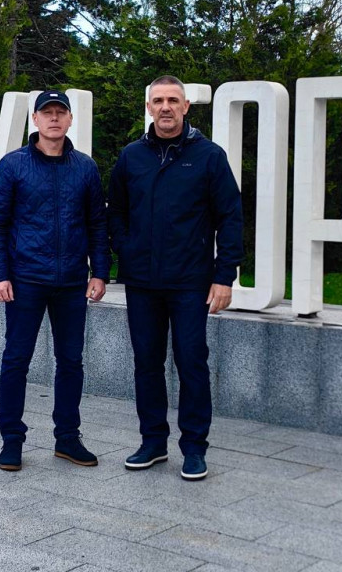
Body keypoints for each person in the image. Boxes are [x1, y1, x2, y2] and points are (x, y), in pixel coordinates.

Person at [108, 75, 243, 481]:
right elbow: (116, 212)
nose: (165, 107)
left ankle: (194, 448)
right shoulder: (132, 156)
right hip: (143, 282)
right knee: (147, 363)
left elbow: (230, 217)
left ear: (186, 107)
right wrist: (126, 249)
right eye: (158, 101)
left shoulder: (209, 156)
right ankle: (153, 442)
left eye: (173, 100)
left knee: (191, 363)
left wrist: (224, 276)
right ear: (148, 108)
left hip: (190, 282)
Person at [0, 89, 110, 472]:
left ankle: (67, 439)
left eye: (60, 112)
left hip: (71, 282)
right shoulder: (13, 165)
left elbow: (97, 224)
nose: (54, 118)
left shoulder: (85, 168)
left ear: (70, 119)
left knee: (71, 361)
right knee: (16, 360)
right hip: (25, 281)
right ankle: (11, 441)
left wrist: (100, 272)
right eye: (47, 112)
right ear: (35, 119)